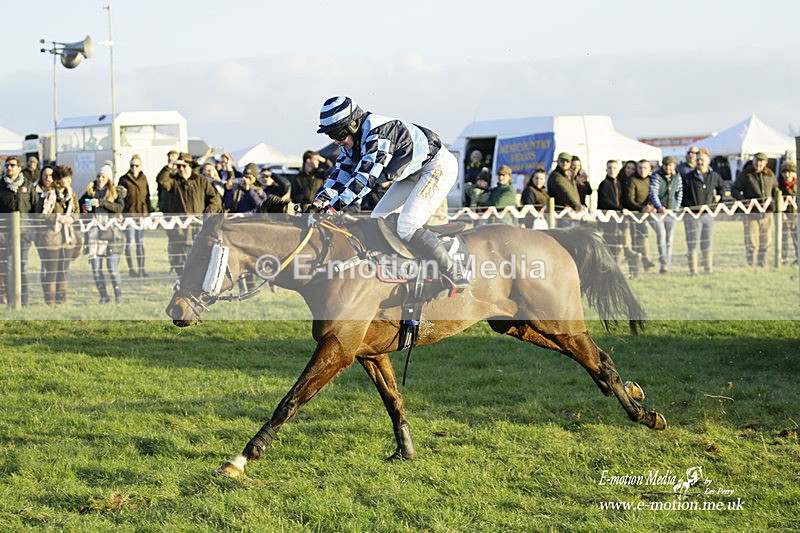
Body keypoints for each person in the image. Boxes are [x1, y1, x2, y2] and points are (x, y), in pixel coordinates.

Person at [312, 95, 467, 287]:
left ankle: (453, 272)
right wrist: (319, 202)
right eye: (331, 136)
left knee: (407, 225)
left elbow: (363, 180)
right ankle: (402, 272)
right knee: (378, 221)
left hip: (437, 167)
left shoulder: (379, 134)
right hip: (413, 173)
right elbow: (340, 176)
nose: (336, 141)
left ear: (353, 124)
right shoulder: (352, 141)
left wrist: (333, 208)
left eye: (338, 134)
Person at [157, 153, 222, 275]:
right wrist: (170, 165)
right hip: (180, 229)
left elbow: (215, 200)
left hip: (198, 227)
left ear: (190, 166)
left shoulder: (201, 181)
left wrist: (207, 214)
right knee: (180, 261)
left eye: (184, 166)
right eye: (179, 166)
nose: (181, 169)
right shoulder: (174, 181)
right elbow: (161, 181)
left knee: (199, 260)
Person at [80, 165, 125, 304]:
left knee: (112, 268)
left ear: (108, 179)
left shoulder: (116, 193)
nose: (100, 179)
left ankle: (119, 297)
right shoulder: (89, 192)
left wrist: (101, 203)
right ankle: (104, 296)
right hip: (94, 237)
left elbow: (119, 208)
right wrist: (85, 209)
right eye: (98, 176)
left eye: (103, 177)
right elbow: (80, 210)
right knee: (96, 269)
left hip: (113, 236)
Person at [36, 165, 79, 304]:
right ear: (58, 180)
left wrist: (71, 218)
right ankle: (50, 301)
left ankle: (62, 300)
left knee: (63, 271)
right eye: (65, 178)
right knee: (51, 272)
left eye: (69, 178)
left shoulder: (71, 194)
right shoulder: (48, 194)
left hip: (67, 237)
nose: (67, 181)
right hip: (50, 238)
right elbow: (40, 214)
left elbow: (76, 212)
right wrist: (57, 217)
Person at [0, 156, 38, 306]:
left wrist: (34, 231)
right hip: (6, 234)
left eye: (12, 165)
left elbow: (35, 208)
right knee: (9, 267)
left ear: (19, 168)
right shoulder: (1, 186)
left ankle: (24, 301)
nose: (9, 168)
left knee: (23, 266)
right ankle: (11, 301)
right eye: (7, 165)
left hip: (24, 234)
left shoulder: (28, 186)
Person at [731, 152, 779, 267]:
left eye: (761, 161)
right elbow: (734, 189)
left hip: (767, 214)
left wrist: (775, 202)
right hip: (751, 214)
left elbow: (776, 189)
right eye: (757, 160)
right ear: (753, 161)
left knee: (766, 241)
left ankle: (763, 264)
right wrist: (745, 202)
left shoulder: (769, 174)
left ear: (765, 163)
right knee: (751, 241)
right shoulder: (746, 174)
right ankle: (751, 265)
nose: (759, 163)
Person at [681, 148, 725, 274]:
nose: (700, 162)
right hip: (692, 216)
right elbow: (683, 195)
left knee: (707, 242)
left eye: (702, 160)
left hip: (708, 215)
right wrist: (689, 206)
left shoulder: (714, 176)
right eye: (698, 160)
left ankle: (708, 269)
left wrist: (718, 199)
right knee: (692, 244)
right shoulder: (688, 177)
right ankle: (693, 271)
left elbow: (721, 188)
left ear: (709, 161)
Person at [117, 154, 152, 278]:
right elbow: (119, 198)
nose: (134, 168)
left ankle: (142, 269)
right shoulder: (124, 179)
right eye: (132, 165)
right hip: (129, 215)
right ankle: (132, 269)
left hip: (141, 215)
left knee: (140, 243)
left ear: (140, 166)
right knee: (129, 243)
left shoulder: (144, 179)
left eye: (136, 165)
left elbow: (147, 196)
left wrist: (148, 214)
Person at [648, 155, 683, 273]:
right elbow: (653, 193)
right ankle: (663, 260)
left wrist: (675, 208)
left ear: (674, 166)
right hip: (659, 212)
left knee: (670, 239)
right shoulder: (656, 176)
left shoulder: (677, 177)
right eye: (666, 165)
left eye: (670, 165)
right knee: (661, 234)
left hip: (671, 212)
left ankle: (668, 263)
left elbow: (679, 192)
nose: (668, 167)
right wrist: (659, 207)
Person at [623, 159, 656, 277]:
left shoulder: (651, 180)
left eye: (645, 168)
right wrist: (641, 208)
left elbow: (653, 195)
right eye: (640, 168)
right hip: (631, 215)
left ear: (649, 169)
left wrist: (651, 206)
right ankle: (634, 271)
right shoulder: (632, 180)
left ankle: (646, 262)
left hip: (643, 216)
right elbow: (629, 199)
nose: (642, 170)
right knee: (632, 245)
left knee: (643, 239)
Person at [596, 159, 628, 263]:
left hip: (618, 219)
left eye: (614, 168)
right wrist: (620, 209)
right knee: (610, 245)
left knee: (619, 244)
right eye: (609, 168)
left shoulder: (619, 183)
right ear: (606, 169)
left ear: (618, 170)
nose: (612, 170)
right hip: (608, 220)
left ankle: (616, 263)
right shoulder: (604, 184)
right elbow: (605, 202)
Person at [547, 151, 583, 227]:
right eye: (562, 161)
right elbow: (564, 192)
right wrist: (575, 205)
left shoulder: (569, 175)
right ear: (558, 162)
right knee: (566, 237)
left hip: (573, 213)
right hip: (562, 214)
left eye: (567, 161)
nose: (565, 163)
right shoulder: (556, 176)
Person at [778, 160, 798, 265]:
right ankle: (783, 259)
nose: (787, 175)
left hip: (796, 216)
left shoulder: (796, 184)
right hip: (784, 216)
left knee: (797, 239)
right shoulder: (779, 185)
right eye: (784, 172)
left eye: (789, 172)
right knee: (783, 239)